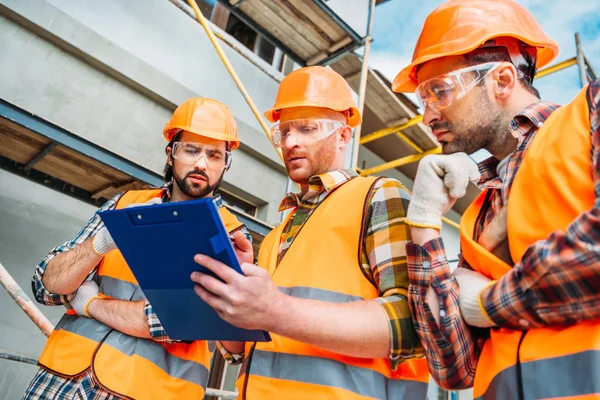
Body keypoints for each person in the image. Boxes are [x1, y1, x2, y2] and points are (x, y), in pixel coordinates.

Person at [391, 0, 600, 398]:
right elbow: (452, 367)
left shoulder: (589, 113)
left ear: (503, 80)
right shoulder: (479, 213)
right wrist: (423, 222)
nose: (428, 115)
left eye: (439, 91)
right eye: (424, 100)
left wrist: (488, 303)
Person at [190, 66, 430, 399]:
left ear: (344, 135)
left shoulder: (379, 196)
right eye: (284, 131)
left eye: (306, 128)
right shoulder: (278, 233)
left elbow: (416, 326)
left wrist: (275, 309)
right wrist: (232, 288)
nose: (290, 142)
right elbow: (238, 351)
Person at [25, 98, 250, 399]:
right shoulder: (126, 204)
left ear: (226, 164)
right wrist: (100, 244)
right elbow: (47, 286)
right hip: (61, 382)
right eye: (191, 150)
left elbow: (177, 322)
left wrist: (89, 304)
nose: (201, 164)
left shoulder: (232, 235)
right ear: (172, 154)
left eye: (214, 155)